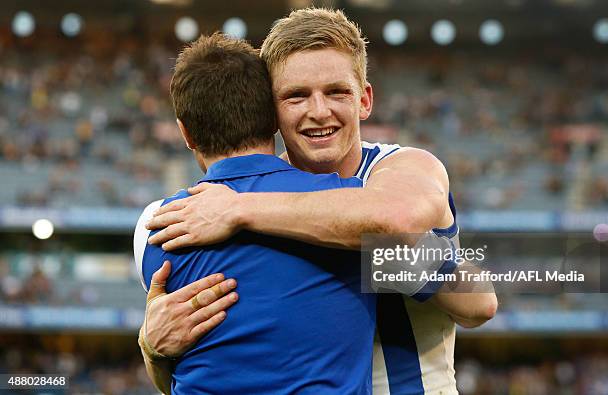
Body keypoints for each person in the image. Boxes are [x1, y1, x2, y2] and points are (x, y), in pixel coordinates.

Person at [144, 8, 497, 395]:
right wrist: (153, 347)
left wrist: (243, 211)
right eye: (296, 96)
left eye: (336, 92)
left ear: (364, 100)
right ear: (272, 112)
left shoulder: (405, 168)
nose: (318, 111)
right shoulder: (240, 198)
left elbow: (478, 301)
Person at [134, 33, 377, 394]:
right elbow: (472, 295)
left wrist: (150, 349)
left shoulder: (156, 225)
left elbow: (176, 365)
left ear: (185, 133)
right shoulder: (355, 210)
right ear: (274, 117)